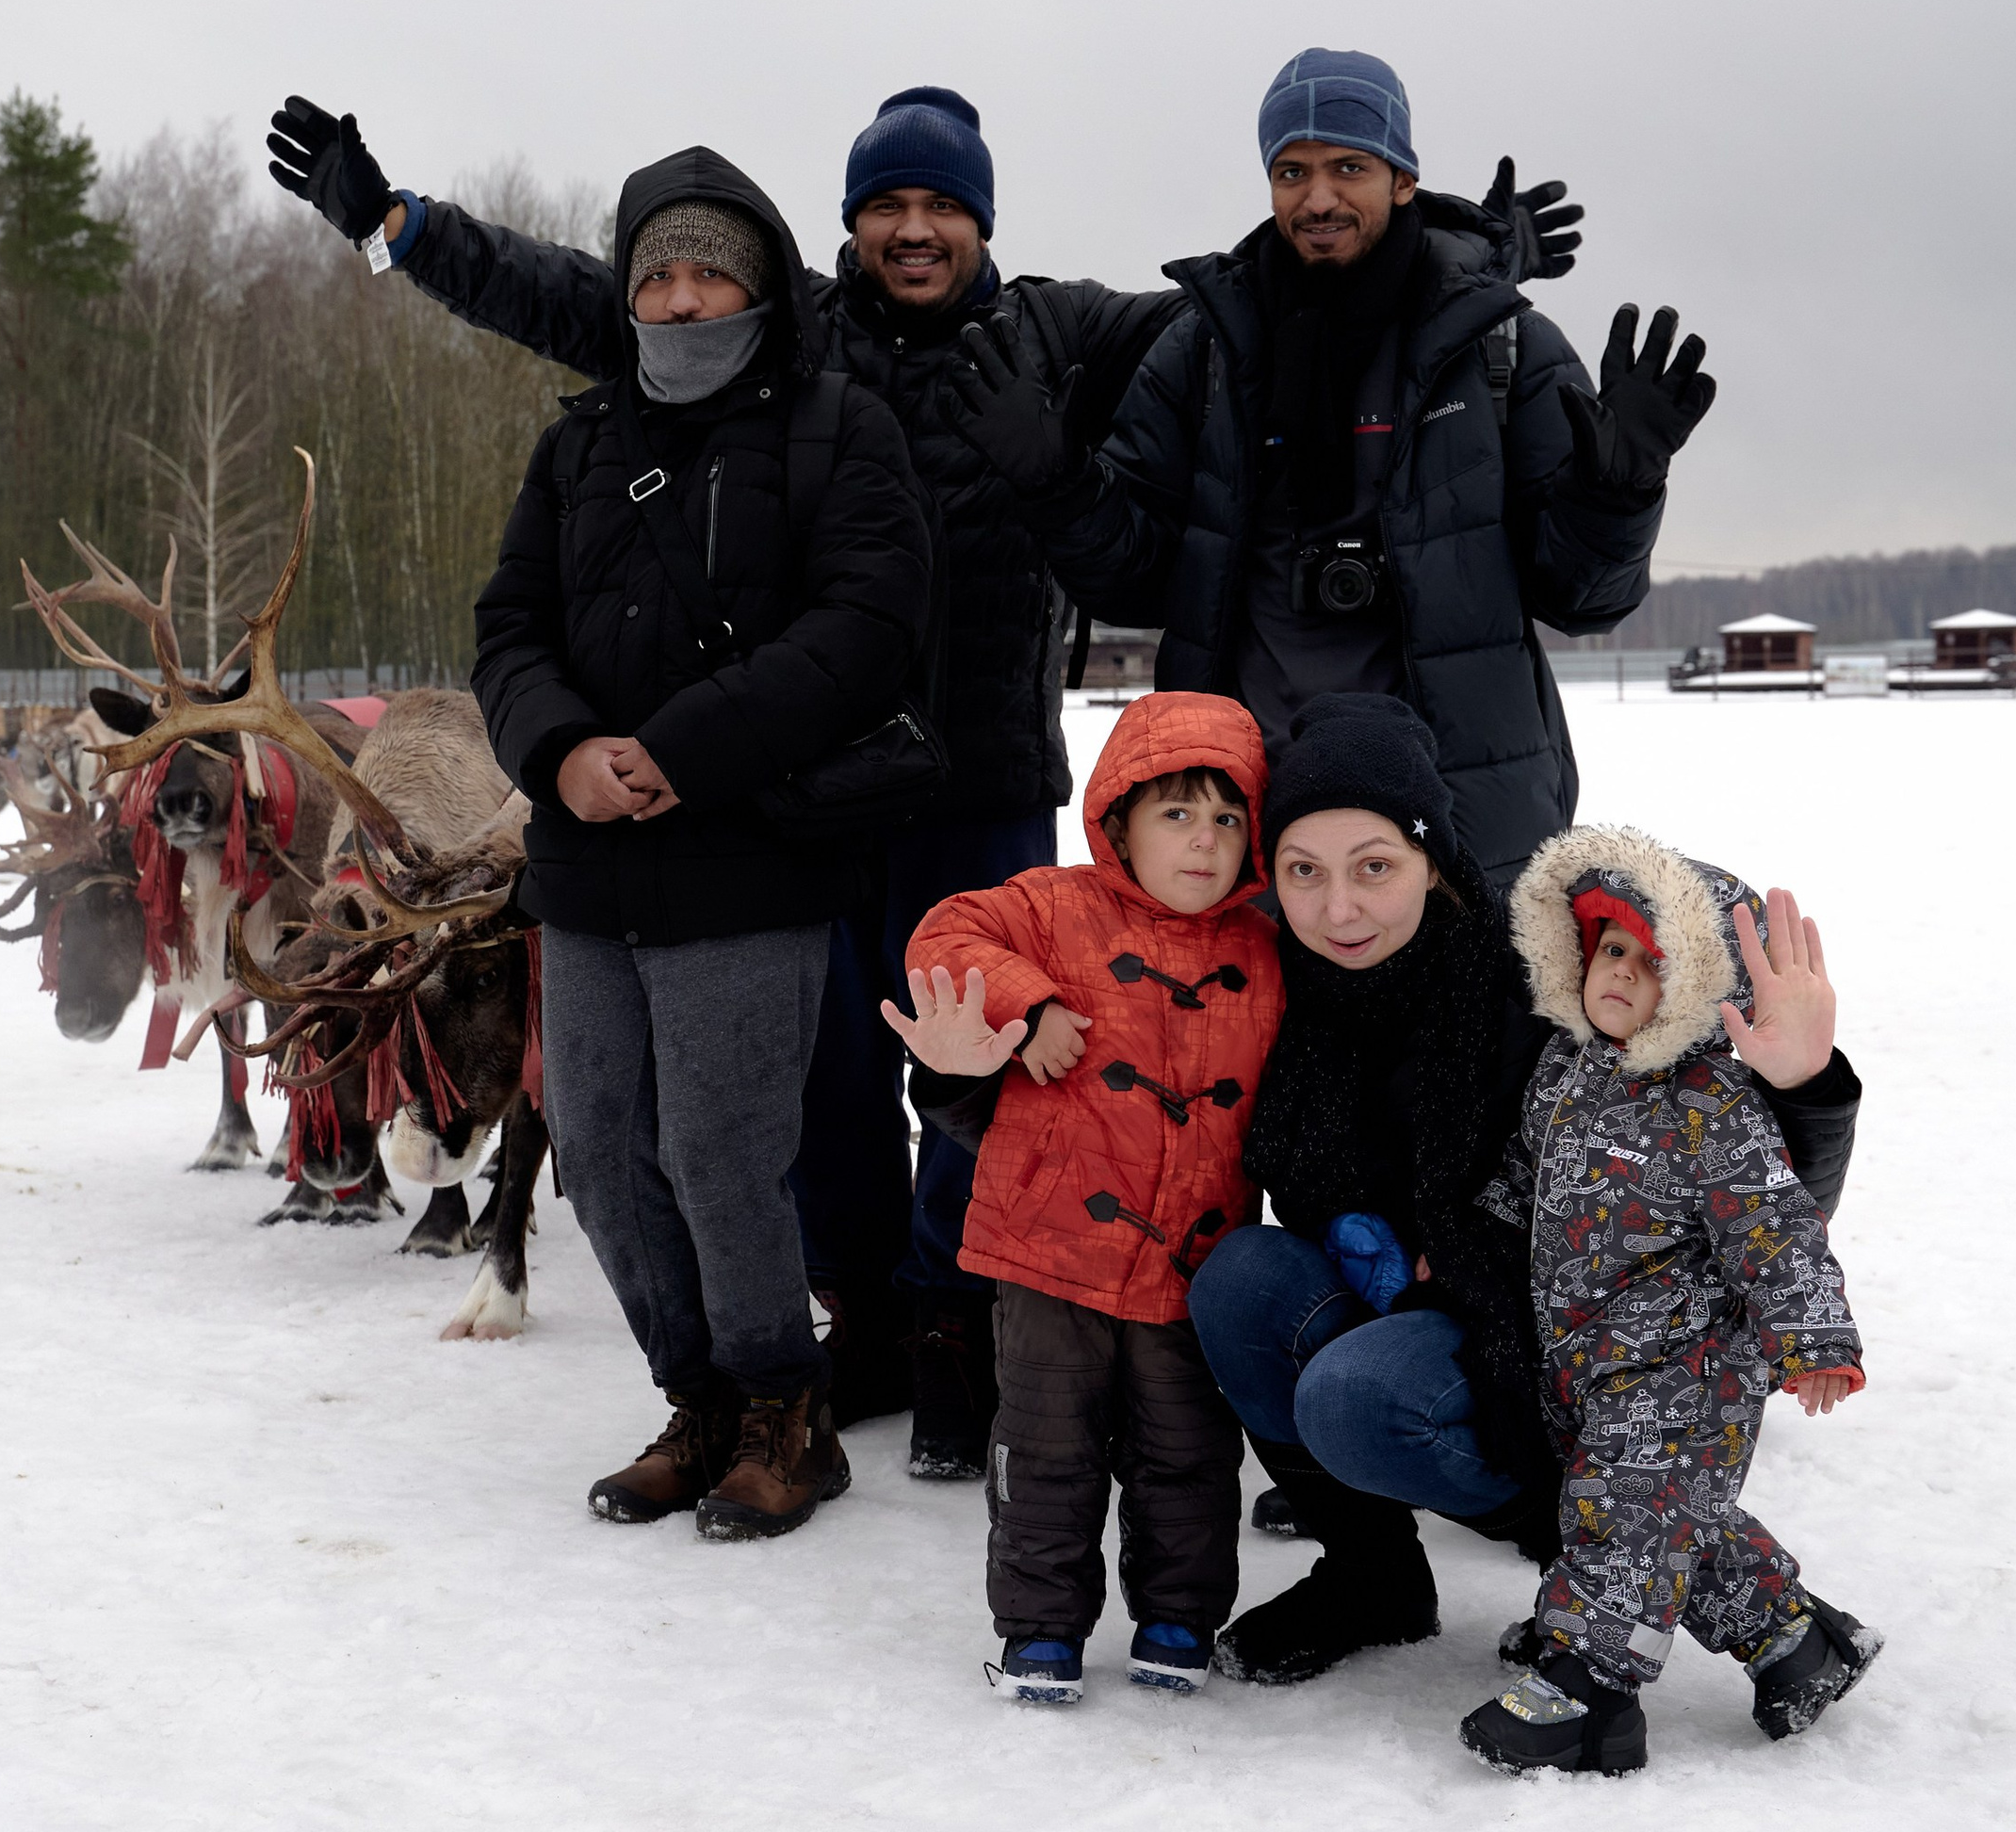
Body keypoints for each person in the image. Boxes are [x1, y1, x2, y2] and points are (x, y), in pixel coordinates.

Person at [265, 84, 1579, 1467]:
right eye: (887, 205)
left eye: (942, 204)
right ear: (847, 226)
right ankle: (871, 1316)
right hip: (812, 793)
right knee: (829, 1080)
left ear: (983, 221)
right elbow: (572, 296)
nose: (913, 229)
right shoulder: (786, 333)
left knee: (996, 1065)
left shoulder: (1062, 333)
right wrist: (400, 226)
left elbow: (1259, 308)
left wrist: (1440, 262)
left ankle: (960, 1320)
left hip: (987, 779)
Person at [1184, 693, 1864, 1688]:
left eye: (1374, 866)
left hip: (1556, 1340)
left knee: (1354, 1400)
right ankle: (1373, 1575)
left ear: (1432, 861)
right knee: (1242, 1277)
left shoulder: (1537, 984)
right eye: (1304, 871)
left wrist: (1804, 1087)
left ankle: (1599, 1545)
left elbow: (1746, 1184)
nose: (1339, 908)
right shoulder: (1272, 983)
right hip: (1406, 1290)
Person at [469, 148, 931, 1540]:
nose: (681, 298)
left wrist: (681, 752)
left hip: (750, 859)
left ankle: (788, 1411)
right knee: (603, 1151)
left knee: (724, 1153)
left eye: (709, 270)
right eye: (656, 272)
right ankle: (700, 1399)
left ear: (763, 285)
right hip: (589, 861)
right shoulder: (579, 444)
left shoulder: (837, 430)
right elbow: (510, 628)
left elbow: (864, 628)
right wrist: (560, 752)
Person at [974, 47, 1704, 884]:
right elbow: (1136, 583)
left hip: (1461, 833)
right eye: (1291, 172)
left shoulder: (1499, 349)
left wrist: (1622, 488)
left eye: (1348, 167)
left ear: (1402, 178)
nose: (1317, 198)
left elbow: (1585, 600)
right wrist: (1058, 486)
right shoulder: (1205, 351)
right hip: (1243, 831)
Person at [881, 693, 1281, 1703]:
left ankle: (1179, 1617)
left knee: (1187, 1457)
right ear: (1118, 822)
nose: (1204, 842)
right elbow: (944, 932)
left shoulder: (1268, 955)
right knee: (1046, 1450)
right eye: (1177, 815)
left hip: (1191, 1267)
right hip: (1048, 1254)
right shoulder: (1050, 907)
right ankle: (1039, 1629)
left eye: (1227, 820)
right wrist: (1031, 1003)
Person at [1458, 824, 1881, 1775]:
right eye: (1611, 949)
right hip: (1591, 1354)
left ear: (1700, 988)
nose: (1618, 975)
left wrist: (1813, 1337)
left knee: (1627, 1509)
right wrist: (1470, 1241)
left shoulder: (1711, 1105)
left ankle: (1587, 1692)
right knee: (1663, 1513)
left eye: (1652, 964)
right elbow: (1525, 1175)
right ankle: (1793, 1643)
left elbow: (1776, 1225)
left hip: (1689, 1364)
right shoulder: (1565, 1067)